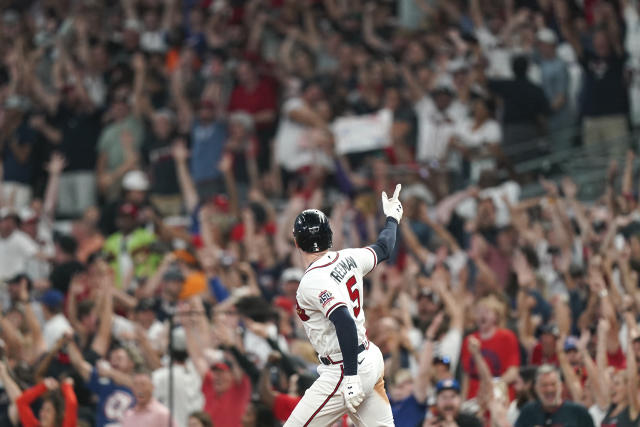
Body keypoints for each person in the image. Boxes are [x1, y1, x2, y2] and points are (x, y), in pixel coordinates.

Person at [284, 184, 404, 426]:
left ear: (296, 242)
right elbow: (384, 247)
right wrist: (392, 217)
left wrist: (350, 377)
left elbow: (344, 320)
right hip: (368, 357)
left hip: (343, 369)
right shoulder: (349, 257)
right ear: (329, 236)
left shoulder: (311, 281)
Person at [514, 364, 595, 427]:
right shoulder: (528, 411)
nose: (549, 389)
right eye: (544, 385)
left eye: (553, 384)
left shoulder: (578, 412)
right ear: (536, 388)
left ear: (561, 386)